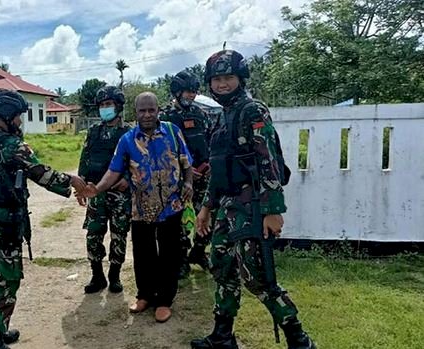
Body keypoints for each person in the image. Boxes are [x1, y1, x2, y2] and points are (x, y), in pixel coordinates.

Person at [190, 50, 315, 349]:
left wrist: (273, 211)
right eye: (217, 79)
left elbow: (268, 161)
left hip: (251, 208)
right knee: (222, 270)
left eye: (228, 78)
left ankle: (299, 340)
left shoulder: (252, 111)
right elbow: (219, 169)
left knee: (258, 278)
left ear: (240, 79)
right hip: (225, 208)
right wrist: (206, 208)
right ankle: (222, 337)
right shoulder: (221, 118)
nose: (222, 84)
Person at [0, 88, 87, 348]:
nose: (20, 121)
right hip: (0, 223)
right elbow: (41, 173)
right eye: (18, 116)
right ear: (8, 115)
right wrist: (72, 181)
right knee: (7, 281)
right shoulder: (11, 145)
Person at [80, 92, 194, 324]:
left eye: (151, 110)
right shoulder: (128, 139)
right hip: (140, 207)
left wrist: (189, 182)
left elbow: (186, 162)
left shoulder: (172, 132)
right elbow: (113, 170)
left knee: (168, 255)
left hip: (171, 206)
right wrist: (97, 189)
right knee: (144, 254)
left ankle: (163, 301)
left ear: (158, 110)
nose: (147, 114)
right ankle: (145, 295)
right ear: (136, 112)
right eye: (142, 111)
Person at [76, 85, 132, 294]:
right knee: (93, 234)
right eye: (102, 105)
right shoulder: (93, 131)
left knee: (119, 234)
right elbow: (85, 158)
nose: (105, 108)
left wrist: (127, 179)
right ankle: (97, 276)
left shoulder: (128, 133)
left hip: (119, 194)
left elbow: (137, 160)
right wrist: (81, 184)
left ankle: (115, 275)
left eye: (108, 104)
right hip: (95, 191)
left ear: (117, 106)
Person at [160, 70, 213, 276]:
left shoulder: (201, 114)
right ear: (177, 91)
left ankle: (199, 252)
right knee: (178, 219)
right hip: (178, 179)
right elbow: (161, 150)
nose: (191, 95)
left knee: (207, 215)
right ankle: (181, 259)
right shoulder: (164, 117)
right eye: (188, 91)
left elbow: (210, 141)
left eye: (194, 92)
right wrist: (185, 173)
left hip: (204, 175)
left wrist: (207, 165)